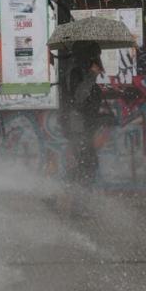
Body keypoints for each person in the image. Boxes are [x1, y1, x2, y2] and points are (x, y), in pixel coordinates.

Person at [63, 41, 104, 189]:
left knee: (86, 164)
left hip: (84, 125)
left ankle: (73, 196)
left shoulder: (81, 70)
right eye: (95, 55)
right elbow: (79, 97)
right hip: (78, 126)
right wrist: (92, 75)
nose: (97, 59)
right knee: (86, 164)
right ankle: (76, 199)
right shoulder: (76, 71)